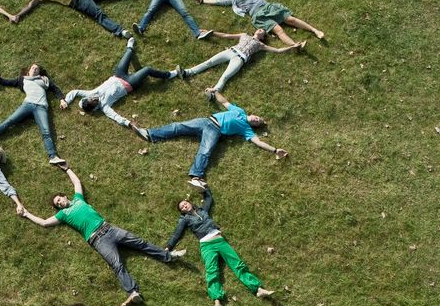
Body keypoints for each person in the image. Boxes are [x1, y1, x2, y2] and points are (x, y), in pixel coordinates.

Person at [20, 164, 185, 295]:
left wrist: (67, 168)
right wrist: (26, 213)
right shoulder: (63, 215)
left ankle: (168, 256)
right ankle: (133, 292)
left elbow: (76, 183)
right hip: (97, 240)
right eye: (57, 204)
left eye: (59, 199)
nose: (59, 203)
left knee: (140, 243)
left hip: (109, 229)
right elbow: (43, 222)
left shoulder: (78, 199)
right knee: (117, 264)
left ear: (64, 196)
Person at [130, 90, 288, 190]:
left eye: (257, 122)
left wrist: (274, 150)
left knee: (205, 151)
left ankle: (196, 177)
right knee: (178, 126)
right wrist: (215, 91)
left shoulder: (246, 129)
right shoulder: (239, 110)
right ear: (254, 113)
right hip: (206, 121)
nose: (256, 119)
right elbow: (224, 102)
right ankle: (149, 134)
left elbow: (258, 141)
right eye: (257, 117)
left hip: (216, 131)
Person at [166, 187, 274, 306]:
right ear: (182, 211)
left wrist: (204, 189)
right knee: (212, 271)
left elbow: (209, 199)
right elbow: (177, 233)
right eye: (182, 207)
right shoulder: (184, 219)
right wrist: (169, 246)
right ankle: (217, 301)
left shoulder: (202, 210)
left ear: (189, 202)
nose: (185, 206)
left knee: (237, 264)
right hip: (206, 245)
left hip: (219, 240)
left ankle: (258, 289)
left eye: (185, 203)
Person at [64, 38, 180, 128]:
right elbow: (115, 116)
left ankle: (130, 46)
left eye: (92, 98)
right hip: (129, 83)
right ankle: (169, 75)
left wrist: (66, 100)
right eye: (95, 101)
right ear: (95, 107)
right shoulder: (105, 106)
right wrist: (128, 123)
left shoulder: (91, 93)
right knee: (147, 70)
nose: (95, 98)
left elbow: (75, 92)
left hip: (118, 75)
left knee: (129, 52)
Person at [0, 63, 68, 165]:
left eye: (37, 69)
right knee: (10, 121)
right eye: (33, 68)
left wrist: (62, 99)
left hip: (41, 107)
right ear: (28, 71)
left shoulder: (44, 80)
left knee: (46, 132)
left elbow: (55, 89)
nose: (34, 69)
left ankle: (53, 156)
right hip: (27, 104)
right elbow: (4, 82)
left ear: (39, 72)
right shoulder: (22, 80)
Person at [181, 29, 304, 92]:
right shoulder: (244, 35)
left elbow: (277, 50)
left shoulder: (261, 45)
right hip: (231, 51)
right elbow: (227, 36)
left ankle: (214, 91)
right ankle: (188, 72)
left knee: (225, 76)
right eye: (259, 29)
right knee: (209, 62)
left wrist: (292, 47)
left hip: (240, 59)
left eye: (262, 31)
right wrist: (211, 32)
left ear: (263, 37)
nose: (260, 30)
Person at [16, 0, 140, 38]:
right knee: (98, 14)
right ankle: (121, 31)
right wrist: (18, 15)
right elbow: (30, 5)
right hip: (77, 1)